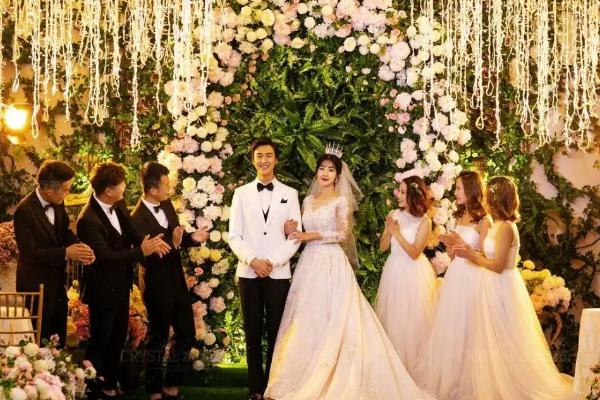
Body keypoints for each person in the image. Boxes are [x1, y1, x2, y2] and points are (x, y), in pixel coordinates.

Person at [264, 145, 434, 400]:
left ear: (337, 175)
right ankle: (300, 376)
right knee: (307, 317)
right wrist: (290, 229)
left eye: (330, 170)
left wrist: (313, 235)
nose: (325, 173)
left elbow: (342, 234)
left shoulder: (340, 201)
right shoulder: (307, 201)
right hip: (309, 265)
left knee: (337, 317)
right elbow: (298, 231)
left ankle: (337, 375)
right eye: (322, 168)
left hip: (332, 262)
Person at [452, 176, 573, 399]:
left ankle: (507, 387)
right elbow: (488, 256)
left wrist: (471, 255)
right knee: (487, 339)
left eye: (487, 196)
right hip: (489, 285)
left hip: (502, 286)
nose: (483, 200)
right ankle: (490, 384)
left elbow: (498, 265)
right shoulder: (496, 224)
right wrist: (468, 250)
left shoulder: (507, 227)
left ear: (497, 199)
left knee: (504, 338)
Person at [77, 161, 170, 400]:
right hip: (101, 289)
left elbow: (130, 231)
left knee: (118, 338)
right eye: (121, 184)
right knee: (101, 340)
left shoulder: (117, 204)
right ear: (109, 190)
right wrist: (141, 251)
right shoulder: (87, 219)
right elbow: (105, 258)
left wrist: (150, 242)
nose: (125, 187)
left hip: (121, 286)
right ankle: (90, 388)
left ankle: (109, 384)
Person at [228, 137, 302, 400]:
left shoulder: (290, 194)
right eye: (259, 155)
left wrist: (272, 262)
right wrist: (253, 260)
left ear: (276, 159)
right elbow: (234, 236)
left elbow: (295, 236)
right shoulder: (241, 194)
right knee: (252, 333)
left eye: (269, 155)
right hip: (248, 273)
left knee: (276, 334)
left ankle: (272, 386)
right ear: (253, 160)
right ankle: (255, 389)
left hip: (277, 274)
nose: (264, 160)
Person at [131, 161, 209, 400]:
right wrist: (174, 244)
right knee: (158, 337)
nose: (169, 188)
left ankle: (172, 386)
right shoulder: (136, 219)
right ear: (152, 189)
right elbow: (149, 257)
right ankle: (154, 391)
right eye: (166, 184)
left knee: (186, 333)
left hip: (176, 281)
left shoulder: (166, 204)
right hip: (156, 284)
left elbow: (177, 237)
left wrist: (192, 238)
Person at [414, 170, 491, 399]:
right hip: (456, 275)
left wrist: (461, 243)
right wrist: (449, 245)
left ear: (471, 190)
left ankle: (470, 381)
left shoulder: (484, 220)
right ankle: (452, 377)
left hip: (473, 278)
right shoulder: (460, 217)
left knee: (469, 327)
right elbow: (453, 254)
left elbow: (487, 256)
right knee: (452, 326)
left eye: (458, 188)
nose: (455, 192)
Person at [14, 160, 95, 346]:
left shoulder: (57, 202)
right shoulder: (24, 211)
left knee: (58, 336)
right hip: (35, 285)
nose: (68, 193)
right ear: (50, 190)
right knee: (38, 339)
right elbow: (29, 254)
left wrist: (80, 247)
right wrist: (65, 253)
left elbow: (63, 231)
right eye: (66, 189)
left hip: (57, 282)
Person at [375, 174, 438, 375]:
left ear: (413, 195)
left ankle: (412, 368)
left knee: (412, 321)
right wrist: (388, 230)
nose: (398, 195)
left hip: (413, 274)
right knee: (394, 317)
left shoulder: (425, 221)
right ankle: (394, 367)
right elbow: (382, 247)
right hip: (393, 271)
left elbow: (414, 252)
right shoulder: (394, 214)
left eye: (403, 192)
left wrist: (396, 232)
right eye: (399, 191)